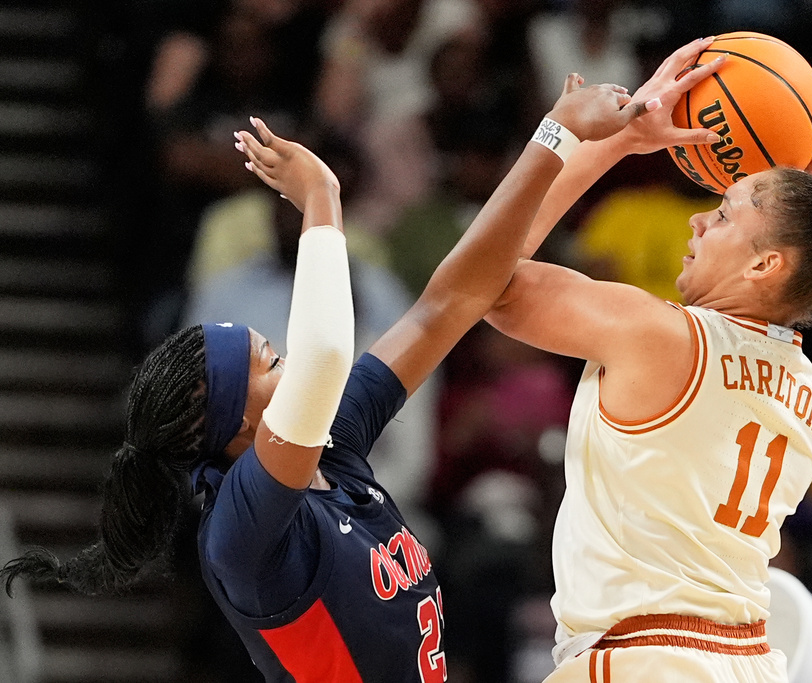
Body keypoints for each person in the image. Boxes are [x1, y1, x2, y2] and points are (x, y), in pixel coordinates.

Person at [0, 50, 727, 682]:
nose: (287, 357)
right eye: (267, 361)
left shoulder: (333, 448)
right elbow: (322, 356)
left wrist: (594, 144)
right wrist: (322, 200)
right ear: (230, 421)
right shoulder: (242, 532)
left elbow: (454, 297)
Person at [484, 38, 812, 682]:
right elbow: (789, 278)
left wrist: (613, 140)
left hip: (643, 660)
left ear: (765, 264)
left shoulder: (659, 338)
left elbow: (485, 280)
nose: (698, 224)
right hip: (751, 662)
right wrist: (796, 205)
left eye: (724, 215)